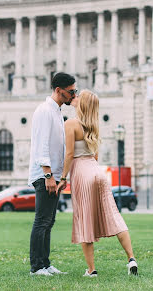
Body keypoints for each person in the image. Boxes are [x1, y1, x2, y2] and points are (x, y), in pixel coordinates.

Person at [58, 89, 138, 277]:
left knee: (85, 221)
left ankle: (91, 270)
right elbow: (95, 155)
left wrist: (63, 178)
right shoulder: (93, 126)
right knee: (115, 217)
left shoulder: (71, 124)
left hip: (82, 173)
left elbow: (69, 154)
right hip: (98, 171)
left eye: (78, 96)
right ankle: (131, 258)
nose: (74, 97)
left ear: (82, 102)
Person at [28, 72, 77, 276]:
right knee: (42, 221)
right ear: (59, 90)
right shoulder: (44, 111)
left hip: (53, 176)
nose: (74, 96)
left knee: (49, 221)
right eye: (71, 92)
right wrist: (48, 175)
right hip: (44, 176)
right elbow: (42, 145)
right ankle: (36, 266)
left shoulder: (57, 112)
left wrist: (60, 176)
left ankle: (45, 263)